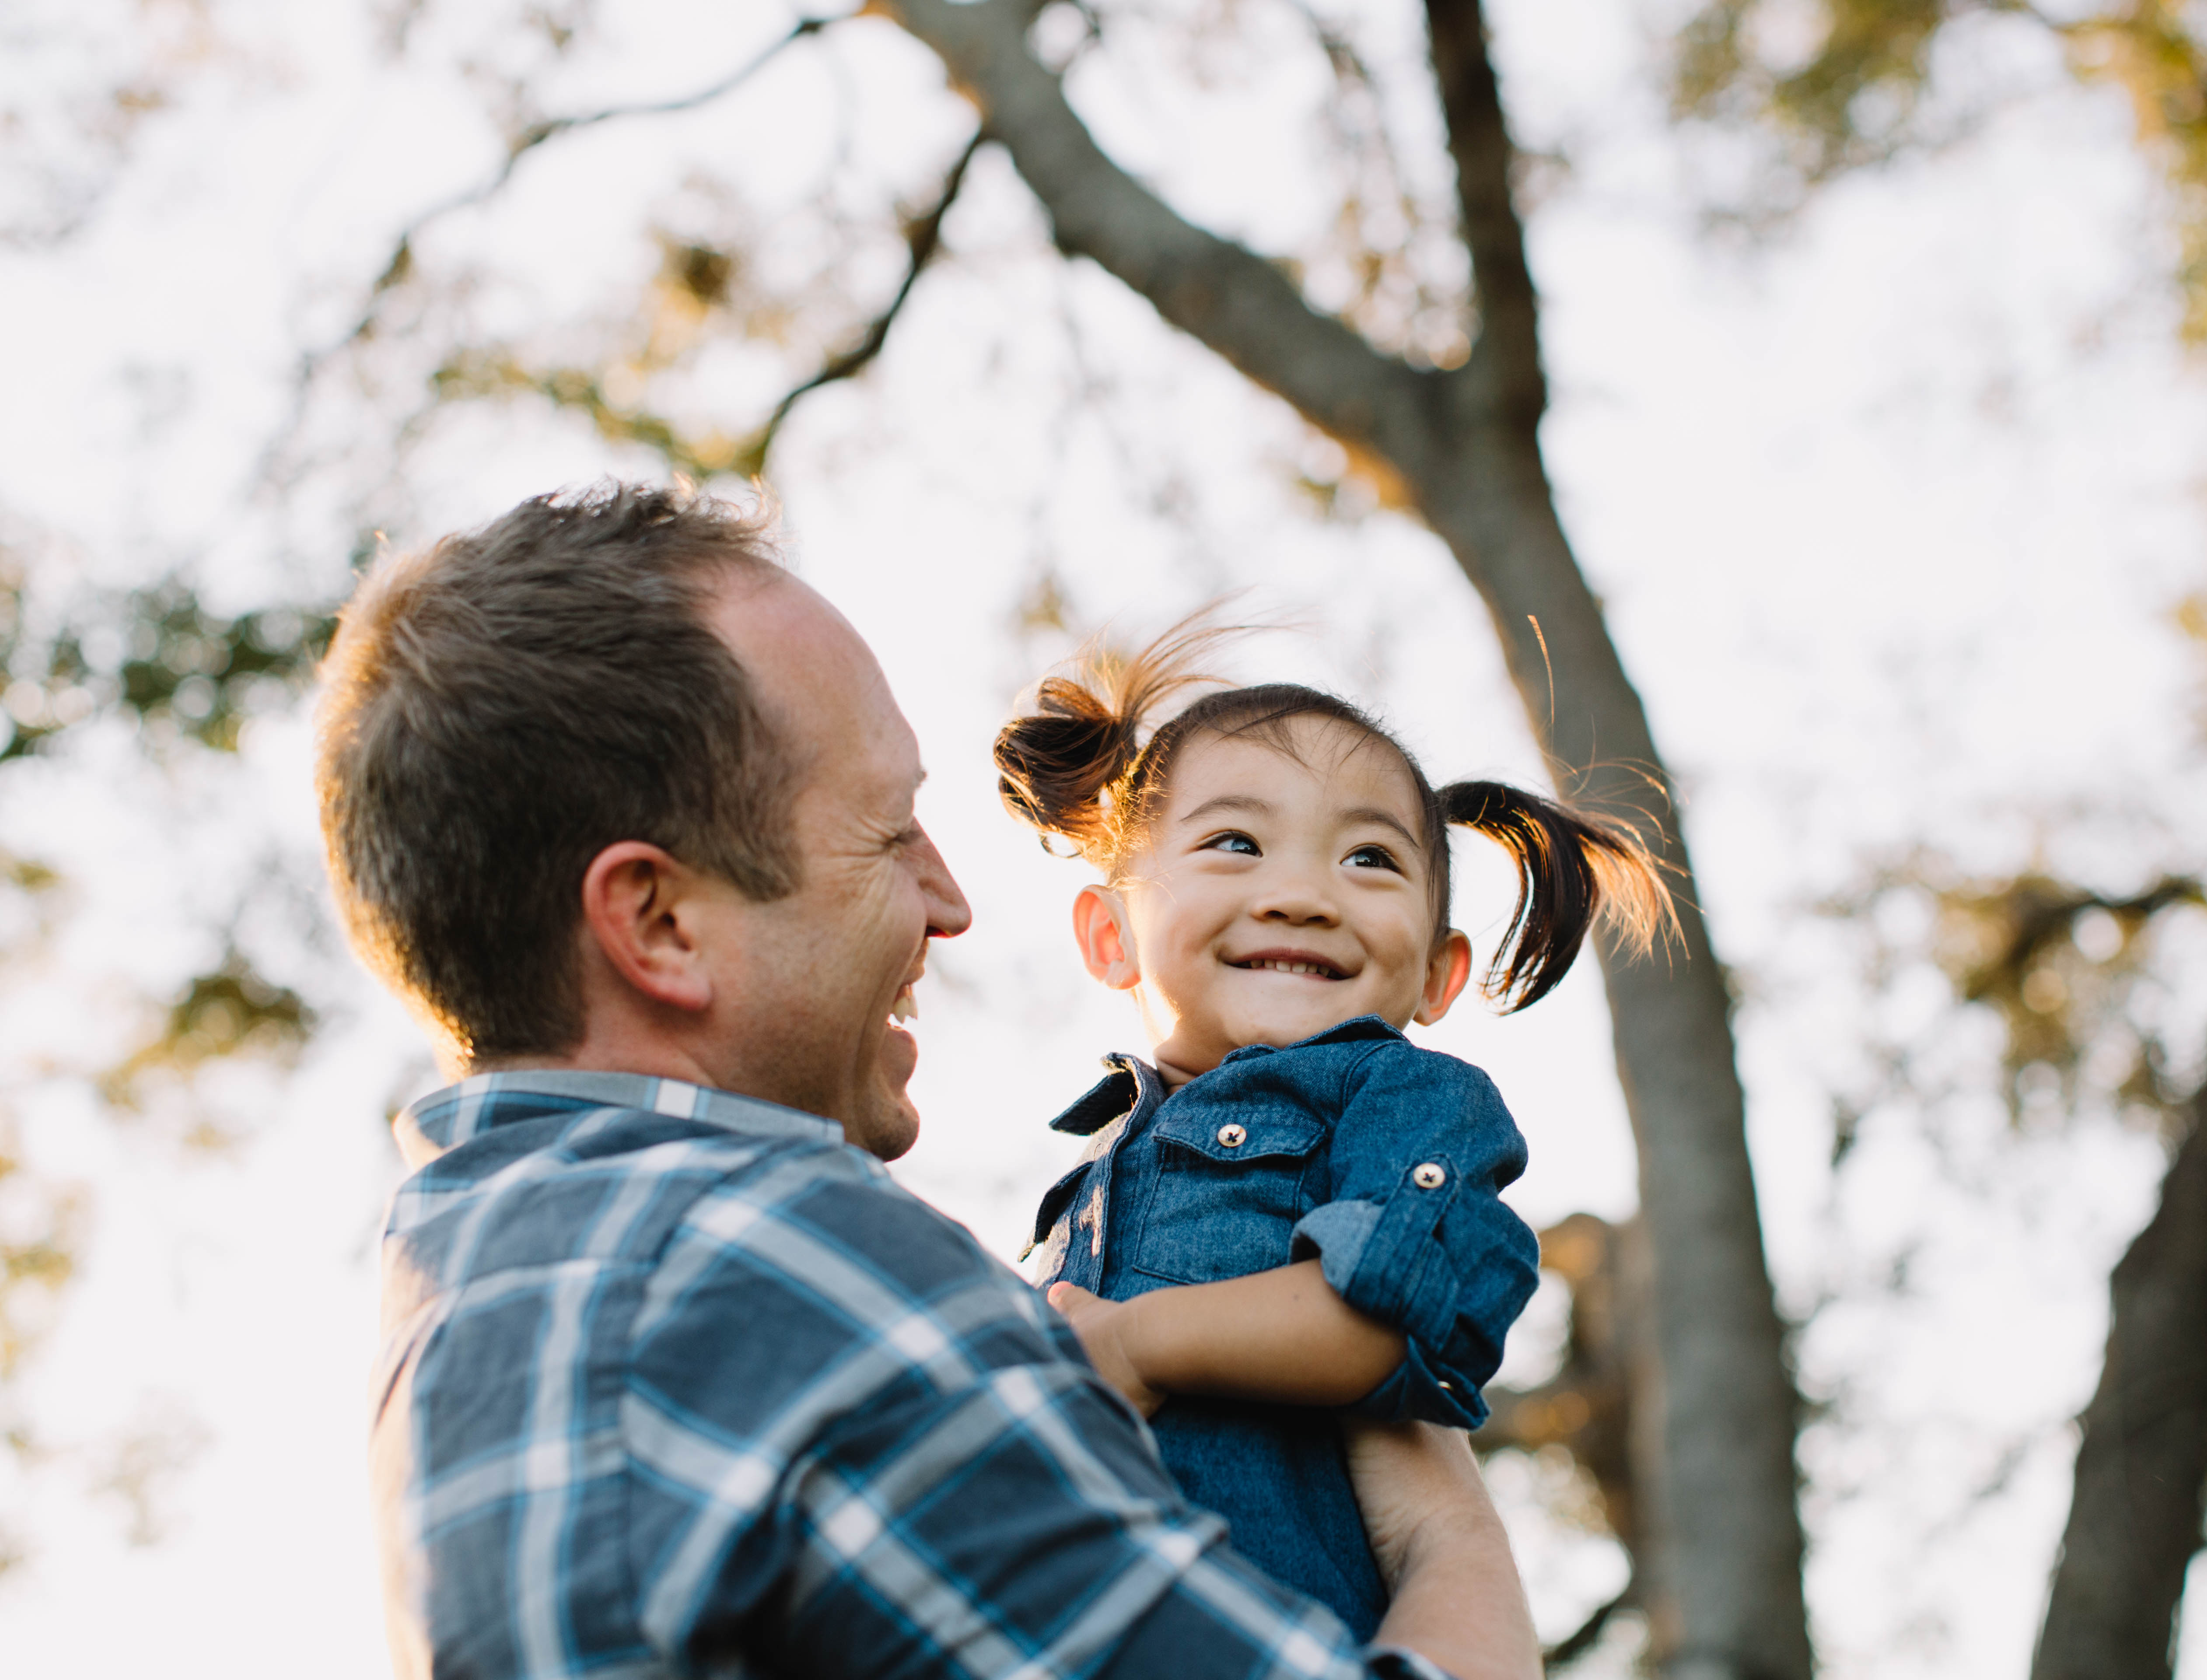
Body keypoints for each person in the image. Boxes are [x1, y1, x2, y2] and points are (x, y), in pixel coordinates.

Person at [314, 483, 1539, 1680]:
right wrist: (1457, 1547)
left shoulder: (465, 1304)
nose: (951, 902)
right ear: (661, 924)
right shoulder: (788, 1268)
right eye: (889, 831)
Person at [993, 626, 1671, 1639]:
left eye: (1370, 859)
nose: (1303, 895)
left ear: (1440, 975)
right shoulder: (1093, 1168)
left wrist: (1135, 1344)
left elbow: (1387, 1315)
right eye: (1235, 843)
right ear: (1112, 935)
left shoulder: (1402, 1099)